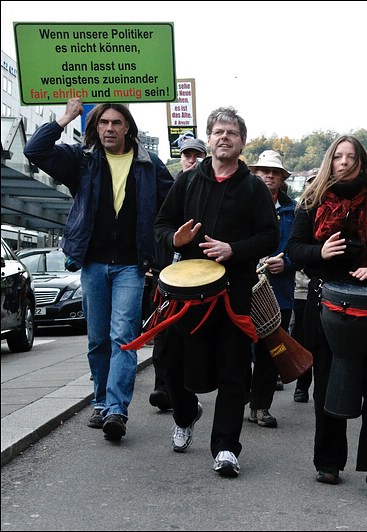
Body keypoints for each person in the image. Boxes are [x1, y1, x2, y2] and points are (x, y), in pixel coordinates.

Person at [24, 98, 173, 441]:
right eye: (103, 122)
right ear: (95, 128)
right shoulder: (82, 160)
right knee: (97, 340)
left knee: (123, 337)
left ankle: (117, 410)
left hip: (132, 267)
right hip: (92, 263)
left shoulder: (149, 165)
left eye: (116, 123)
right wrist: (67, 117)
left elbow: (173, 204)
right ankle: (101, 401)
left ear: (128, 129)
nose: (109, 128)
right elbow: (35, 150)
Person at [154, 106, 279, 477]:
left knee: (232, 372)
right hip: (184, 296)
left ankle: (225, 446)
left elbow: (270, 236)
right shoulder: (187, 180)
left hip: (233, 292)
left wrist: (233, 250)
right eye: (218, 132)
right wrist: (174, 239)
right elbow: (161, 224)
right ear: (208, 139)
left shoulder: (254, 187)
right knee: (170, 364)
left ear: (243, 142)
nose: (224, 137)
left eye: (232, 133)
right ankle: (186, 413)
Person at [286, 135, 367, 489]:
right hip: (326, 304)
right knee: (327, 384)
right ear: (330, 160)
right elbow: (294, 249)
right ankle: (328, 462)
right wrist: (320, 253)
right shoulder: (312, 200)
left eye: (351, 156)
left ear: (361, 162)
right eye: (338, 156)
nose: (344, 162)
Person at [148, 138, 208, 412]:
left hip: (198, 278)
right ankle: (162, 388)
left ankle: (186, 396)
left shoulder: (208, 191)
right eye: (187, 155)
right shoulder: (167, 187)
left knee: (193, 340)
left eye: (197, 155)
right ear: (181, 158)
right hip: (166, 273)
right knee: (164, 333)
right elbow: (157, 224)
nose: (191, 159)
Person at [247, 150, 297, 428]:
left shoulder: (293, 211)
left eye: (274, 172)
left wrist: (286, 263)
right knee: (240, 350)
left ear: (281, 178)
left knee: (270, 353)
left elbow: (300, 249)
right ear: (255, 174)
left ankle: (261, 406)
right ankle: (244, 393)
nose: (269, 175)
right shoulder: (244, 204)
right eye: (264, 171)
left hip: (279, 291)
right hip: (246, 288)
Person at [292, 269, 313, 403]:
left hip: (328, 288)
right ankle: (302, 386)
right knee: (302, 339)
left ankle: (324, 389)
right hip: (302, 290)